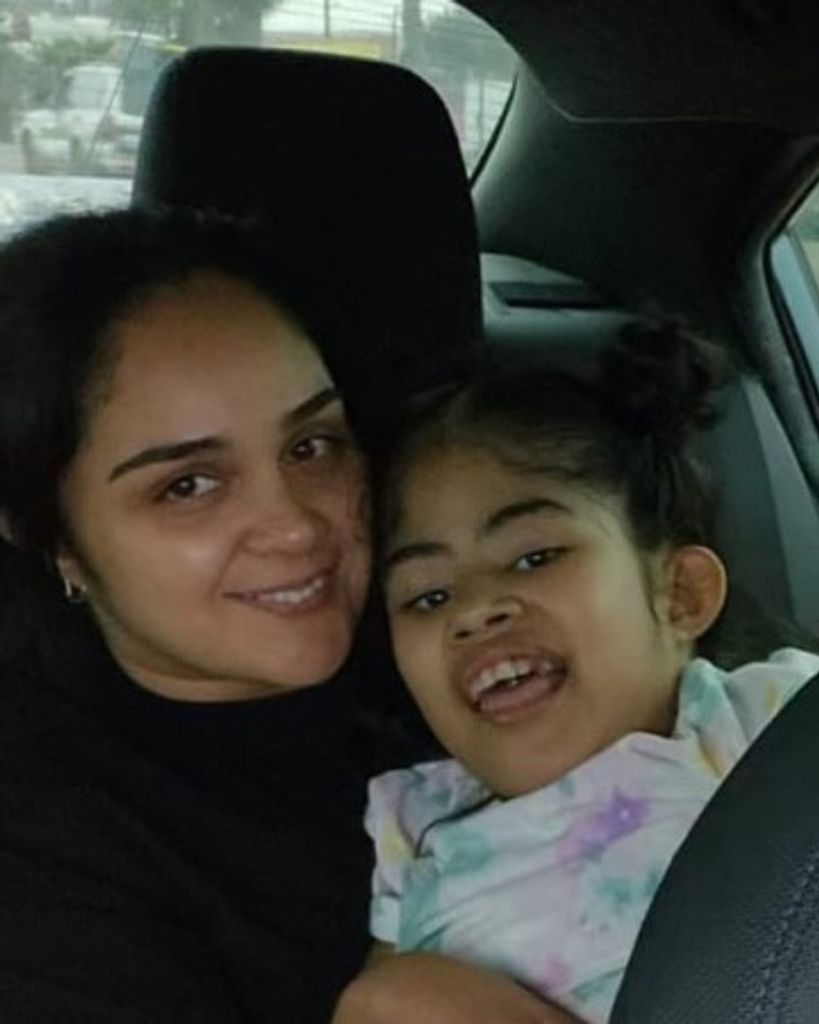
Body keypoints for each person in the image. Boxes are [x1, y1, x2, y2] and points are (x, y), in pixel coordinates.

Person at [335, 325, 819, 1023]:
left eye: (534, 557)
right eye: (427, 597)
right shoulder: (413, 823)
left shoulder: (760, 724)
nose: (474, 610)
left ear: (678, 594)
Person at [0, 207, 376, 1023]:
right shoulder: (39, 854)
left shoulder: (459, 613)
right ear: (54, 539)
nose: (295, 527)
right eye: (188, 485)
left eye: (311, 446)